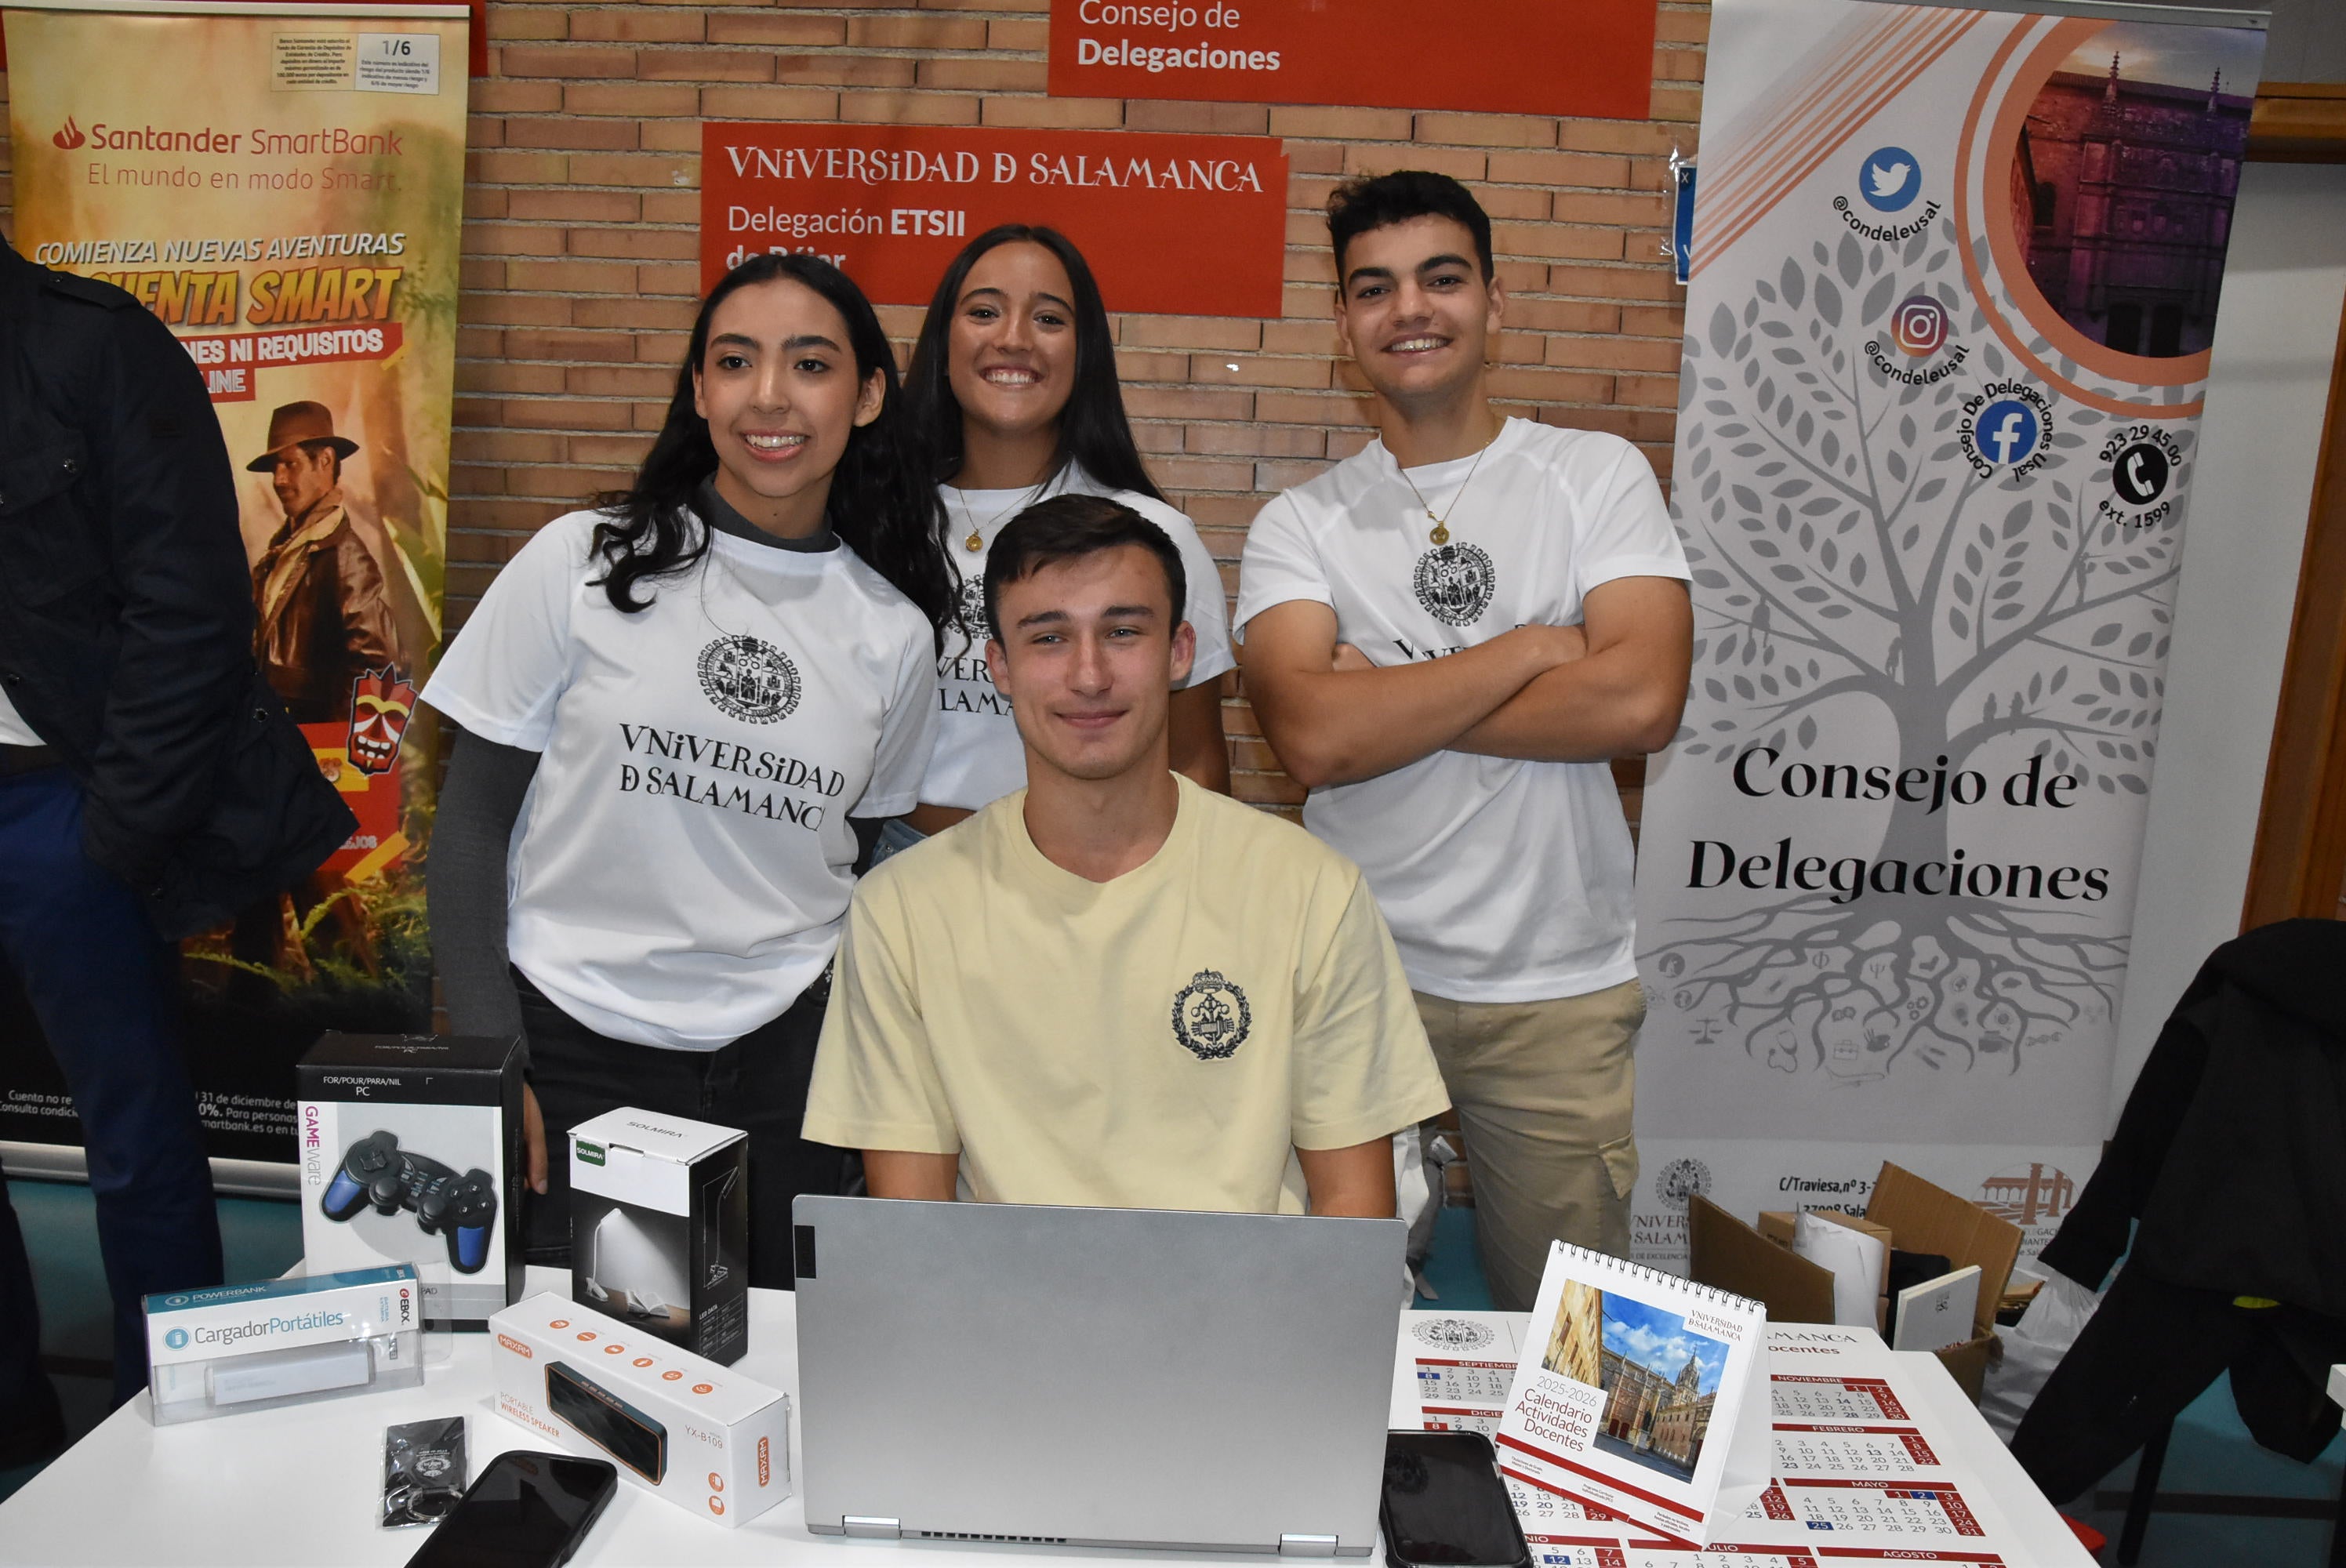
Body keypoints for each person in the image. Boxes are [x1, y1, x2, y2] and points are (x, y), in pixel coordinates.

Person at [421, 253, 952, 1287]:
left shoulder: (892, 633)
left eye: (810, 364)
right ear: (700, 390)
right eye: (736, 362)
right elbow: (473, 822)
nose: (770, 396)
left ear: (869, 394)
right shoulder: (582, 561)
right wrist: (493, 1055)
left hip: (788, 1064)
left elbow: (867, 862)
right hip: (571, 1048)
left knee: (762, 1366)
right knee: (585, 1379)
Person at [1234, 171, 1693, 1308]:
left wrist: (1389, 694)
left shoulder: (1595, 477)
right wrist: (1539, 644)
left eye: (1443, 278)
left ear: (1495, 301)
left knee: (1570, 1340)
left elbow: (1640, 704)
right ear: (1343, 326)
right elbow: (1313, 738)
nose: (1411, 310)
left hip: (1558, 986)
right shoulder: (1301, 523)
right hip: (1354, 975)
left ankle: (1563, 1497)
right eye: (1374, 288)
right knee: (1328, 1310)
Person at [804, 495, 1449, 1216]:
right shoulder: (904, 908)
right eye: (1048, 638)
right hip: (1005, 1319)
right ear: (1001, 666)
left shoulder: (1309, 890)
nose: (1089, 676)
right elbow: (913, 1236)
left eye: (1122, 632)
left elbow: (1353, 1221)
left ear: (1178, 653)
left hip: (1248, 1318)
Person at [0, 238, 354, 1450]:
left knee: (135, 1138)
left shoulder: (94, 344)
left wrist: (116, 832)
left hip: (66, 804)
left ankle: (159, 1437)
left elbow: (189, 607)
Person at [884, 224, 1233, 861]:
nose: (1013, 338)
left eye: (1048, 318)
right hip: (897, 868)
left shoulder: (1152, 536)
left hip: (1096, 870)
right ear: (942, 341)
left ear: (1084, 351)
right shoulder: (877, 521)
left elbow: (1196, 759)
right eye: (984, 312)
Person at [245, 400, 403, 722]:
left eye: (289, 464)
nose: (278, 479)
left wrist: (333, 739)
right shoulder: (284, 548)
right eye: (275, 466)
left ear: (326, 461)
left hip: (314, 749)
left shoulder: (345, 554)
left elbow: (378, 667)